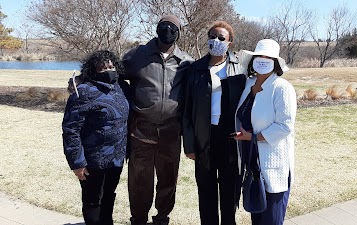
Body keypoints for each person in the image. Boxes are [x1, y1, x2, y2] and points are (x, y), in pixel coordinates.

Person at [122, 15, 193, 225]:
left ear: (179, 33)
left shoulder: (186, 62)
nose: (168, 31)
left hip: (171, 131)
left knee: (168, 180)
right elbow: (112, 73)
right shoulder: (137, 55)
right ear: (156, 29)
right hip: (142, 129)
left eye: (173, 28)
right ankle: (138, 219)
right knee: (139, 181)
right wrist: (80, 81)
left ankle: (162, 219)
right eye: (164, 27)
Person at [182, 21, 247, 225]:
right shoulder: (195, 69)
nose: (215, 41)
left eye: (221, 38)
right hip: (204, 137)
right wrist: (190, 145)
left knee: (229, 192)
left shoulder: (239, 68)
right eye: (212, 36)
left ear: (230, 42)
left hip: (230, 138)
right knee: (206, 191)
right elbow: (186, 109)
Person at [62, 50, 130, 225]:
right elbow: (71, 130)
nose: (108, 70)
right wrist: (77, 162)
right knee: (93, 201)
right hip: (92, 161)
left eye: (111, 66)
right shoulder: (82, 93)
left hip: (116, 158)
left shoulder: (121, 88)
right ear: (92, 70)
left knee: (109, 197)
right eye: (102, 68)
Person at [234, 39, 297, 225]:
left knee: (271, 218)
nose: (262, 60)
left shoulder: (282, 88)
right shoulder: (248, 84)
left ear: (275, 62)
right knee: (257, 217)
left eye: (268, 57)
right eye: (259, 56)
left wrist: (253, 138)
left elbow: (285, 126)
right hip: (252, 163)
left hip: (273, 164)